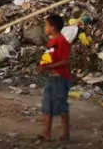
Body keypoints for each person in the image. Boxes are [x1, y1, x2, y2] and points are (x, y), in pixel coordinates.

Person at [37, 14, 72, 142]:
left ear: (53, 27)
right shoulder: (52, 42)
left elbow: (64, 62)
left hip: (60, 78)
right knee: (47, 106)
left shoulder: (62, 42)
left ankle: (65, 134)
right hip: (52, 77)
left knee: (61, 105)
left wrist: (47, 67)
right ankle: (46, 132)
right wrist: (44, 67)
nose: (44, 28)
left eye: (46, 25)